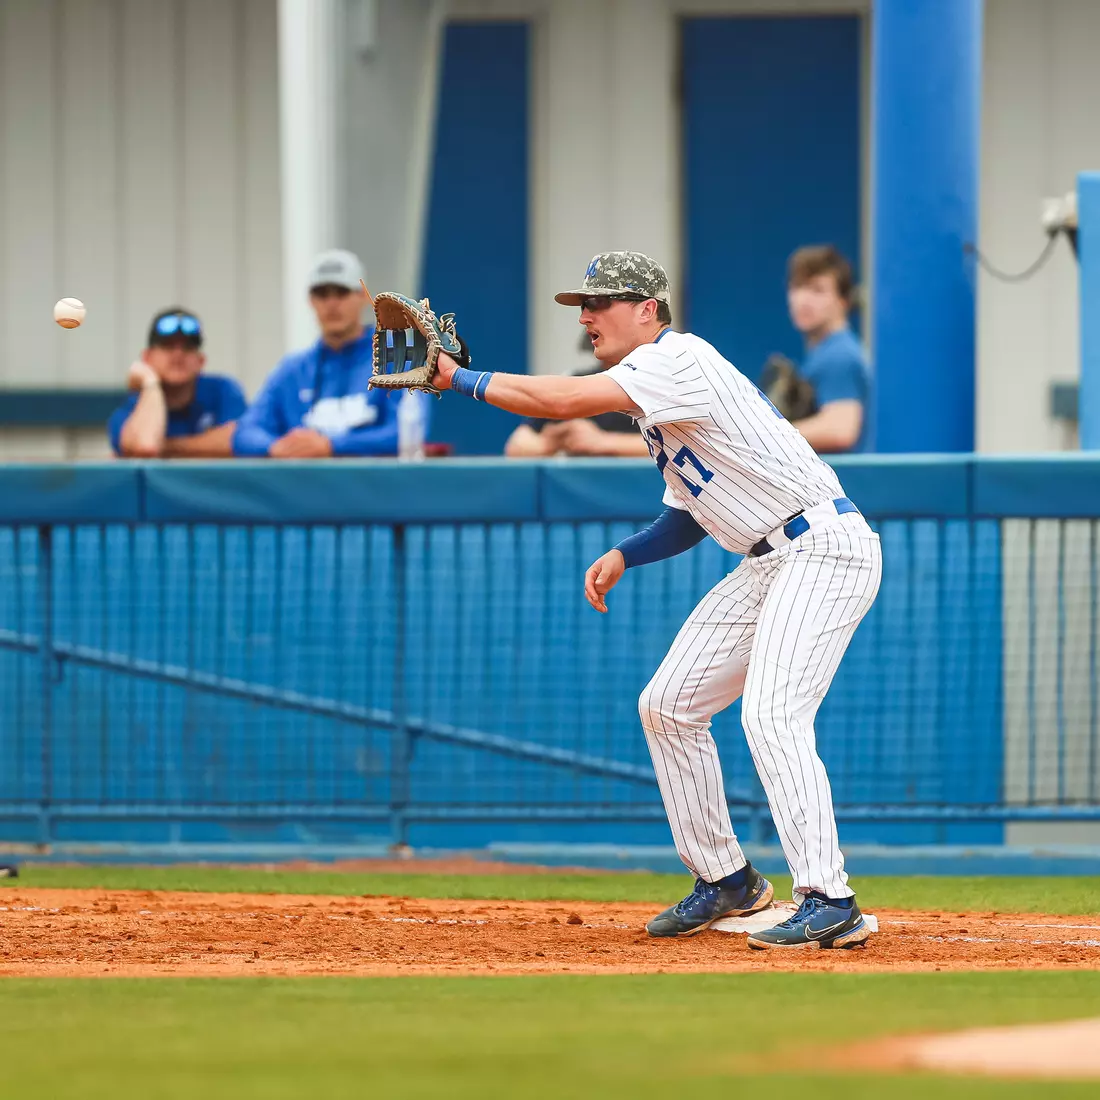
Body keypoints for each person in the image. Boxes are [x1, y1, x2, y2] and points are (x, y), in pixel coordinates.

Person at [428, 251, 882, 951]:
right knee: (668, 705)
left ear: (649, 310)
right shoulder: (654, 398)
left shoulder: (678, 359)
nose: (586, 316)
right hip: (769, 559)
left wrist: (458, 379)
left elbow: (559, 402)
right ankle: (726, 880)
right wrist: (626, 553)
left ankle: (829, 897)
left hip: (823, 548)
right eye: (582, 304)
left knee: (771, 712)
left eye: (602, 302)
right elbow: (689, 514)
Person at [232, 249, 403, 458]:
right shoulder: (292, 370)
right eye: (322, 294)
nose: (331, 303)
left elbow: (405, 433)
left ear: (362, 297)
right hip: (305, 488)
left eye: (341, 292)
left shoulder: (398, 361)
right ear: (311, 301)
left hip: (372, 488)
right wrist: (276, 447)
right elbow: (245, 433)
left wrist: (331, 445)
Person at [108, 308, 245, 458]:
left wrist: (166, 445)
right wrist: (150, 383)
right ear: (147, 358)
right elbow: (146, 446)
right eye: (167, 346)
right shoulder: (136, 407)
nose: (178, 354)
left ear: (200, 361)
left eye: (188, 348)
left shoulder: (222, 390)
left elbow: (241, 441)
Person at [785, 245, 871, 454]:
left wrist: (770, 432)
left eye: (817, 290)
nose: (804, 300)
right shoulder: (825, 351)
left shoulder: (839, 355)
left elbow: (840, 429)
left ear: (843, 301)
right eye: (798, 287)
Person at [505, 336, 649, 457]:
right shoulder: (576, 381)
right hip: (579, 484)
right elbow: (516, 446)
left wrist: (602, 441)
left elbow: (669, 445)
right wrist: (551, 442)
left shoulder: (654, 382)